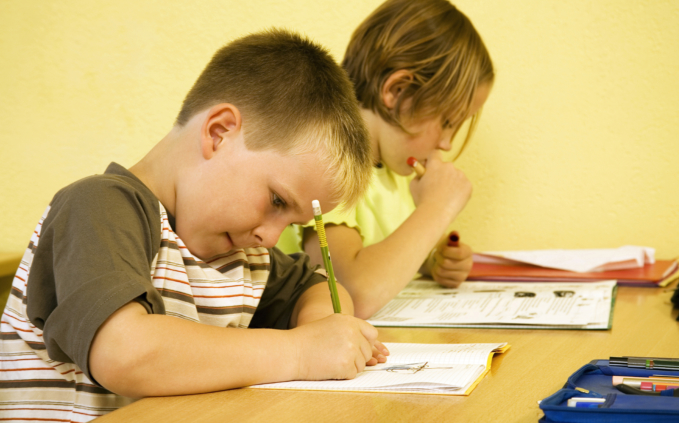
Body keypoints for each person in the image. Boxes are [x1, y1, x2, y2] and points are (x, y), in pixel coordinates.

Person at [0, 28, 388, 421]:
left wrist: (326, 331)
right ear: (219, 132)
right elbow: (124, 353)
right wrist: (302, 352)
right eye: (276, 201)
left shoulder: (244, 255)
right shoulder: (99, 207)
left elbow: (319, 285)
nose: (270, 237)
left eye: (291, 220)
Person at [277, 0, 494, 319]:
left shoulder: (396, 174)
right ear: (397, 90)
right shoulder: (331, 158)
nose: (447, 144)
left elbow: (385, 261)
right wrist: (437, 208)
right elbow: (350, 293)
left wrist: (433, 262)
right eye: (447, 121)